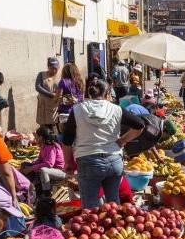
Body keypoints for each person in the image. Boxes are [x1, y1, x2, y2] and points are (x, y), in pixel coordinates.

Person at [61, 79, 144, 209]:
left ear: (87, 94)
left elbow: (66, 141)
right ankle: (116, 228)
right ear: (107, 94)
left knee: (90, 209)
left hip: (88, 162)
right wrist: (123, 140)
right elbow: (140, 125)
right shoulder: (116, 109)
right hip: (114, 161)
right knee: (114, 206)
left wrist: (68, 163)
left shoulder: (77, 110)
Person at [20, 126, 66, 194]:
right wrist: (31, 165)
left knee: (43, 170)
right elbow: (40, 160)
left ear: (41, 137)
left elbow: (49, 164)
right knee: (25, 164)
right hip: (50, 169)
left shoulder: (51, 147)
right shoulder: (44, 146)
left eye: (36, 136)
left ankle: (46, 193)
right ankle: (29, 188)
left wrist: (31, 168)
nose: (35, 138)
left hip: (59, 171)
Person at [55, 63, 85, 131]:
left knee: (65, 135)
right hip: (78, 112)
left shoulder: (63, 82)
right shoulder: (80, 82)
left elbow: (57, 99)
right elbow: (82, 99)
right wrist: (76, 100)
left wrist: (57, 98)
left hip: (65, 113)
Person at [35, 58, 60, 128]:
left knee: (53, 125)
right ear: (48, 67)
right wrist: (50, 94)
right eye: (52, 68)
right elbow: (37, 87)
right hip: (43, 105)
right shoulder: (41, 75)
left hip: (53, 106)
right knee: (43, 127)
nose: (54, 70)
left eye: (56, 68)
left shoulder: (59, 76)